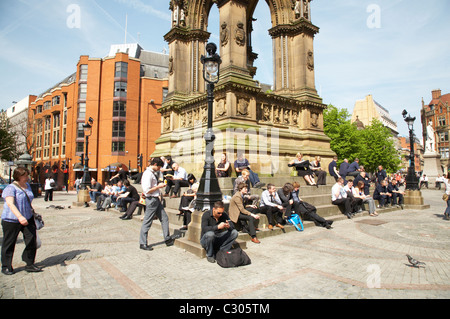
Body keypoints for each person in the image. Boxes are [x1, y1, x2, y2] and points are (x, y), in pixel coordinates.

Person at [1, 167, 42, 275]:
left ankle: (29, 263)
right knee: (9, 242)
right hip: (11, 219)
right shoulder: (11, 188)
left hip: (28, 218)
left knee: (32, 240)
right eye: (25, 176)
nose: (27, 177)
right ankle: (6, 266)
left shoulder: (27, 186)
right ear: (18, 176)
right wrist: (19, 216)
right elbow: (10, 204)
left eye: (27, 175)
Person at [140, 157, 174, 251]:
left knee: (164, 218)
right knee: (147, 221)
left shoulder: (151, 173)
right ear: (155, 165)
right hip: (151, 199)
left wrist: (158, 187)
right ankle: (143, 243)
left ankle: (167, 238)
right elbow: (147, 190)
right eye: (159, 167)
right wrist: (158, 186)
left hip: (155, 199)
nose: (159, 169)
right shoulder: (148, 174)